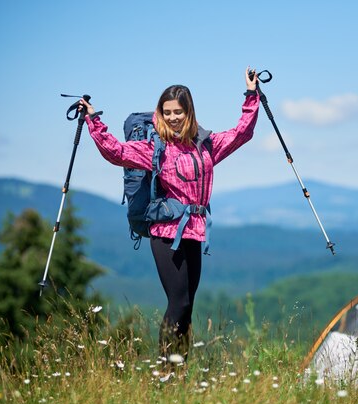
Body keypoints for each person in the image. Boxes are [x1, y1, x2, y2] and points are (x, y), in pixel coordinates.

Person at [79, 67, 260, 362]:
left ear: (189, 112)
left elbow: (242, 133)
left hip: (195, 231)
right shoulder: (156, 149)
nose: (173, 117)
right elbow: (116, 152)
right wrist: (93, 120)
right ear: (160, 114)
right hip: (166, 235)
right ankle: (165, 370)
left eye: (178, 111)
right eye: (167, 112)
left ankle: (178, 371)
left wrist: (251, 95)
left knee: (187, 308)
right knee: (178, 301)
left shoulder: (206, 145)